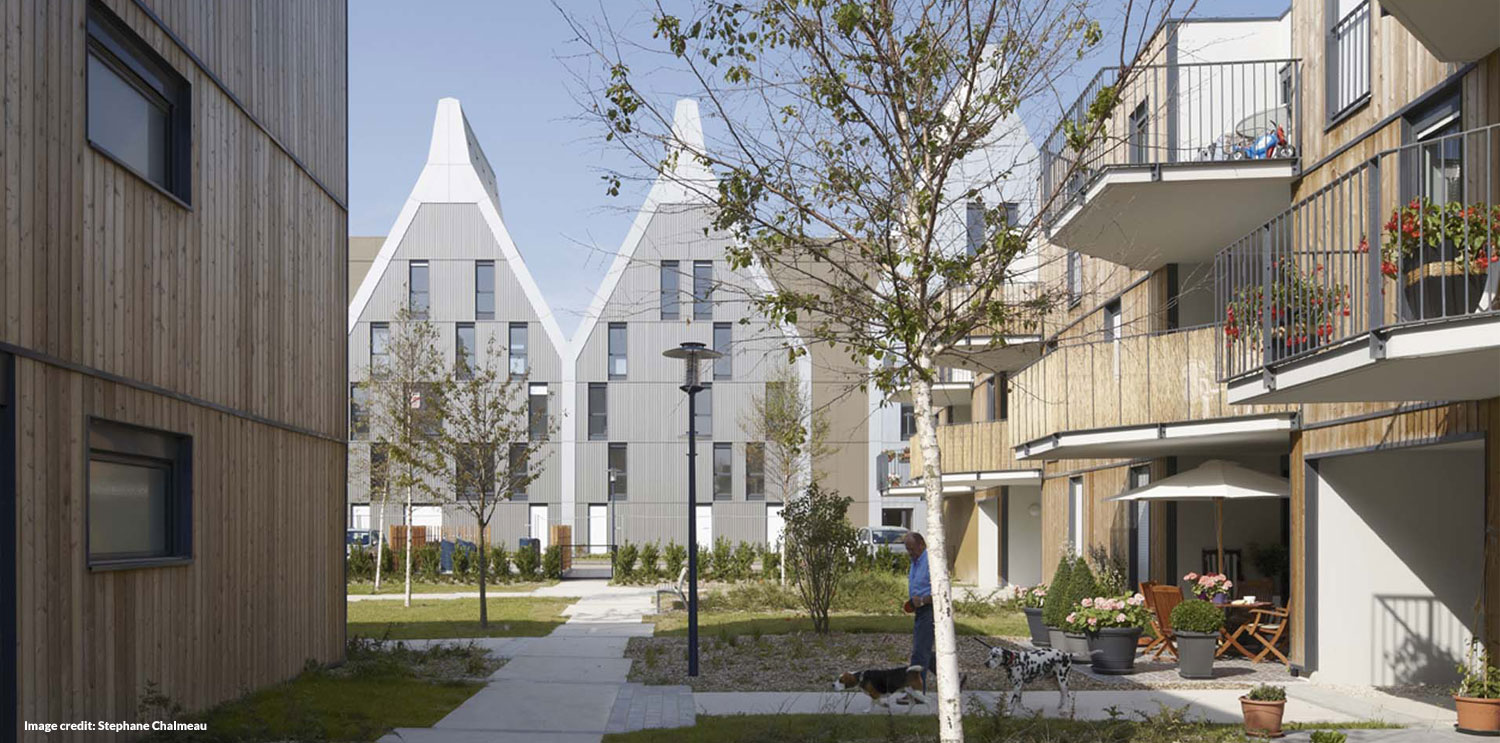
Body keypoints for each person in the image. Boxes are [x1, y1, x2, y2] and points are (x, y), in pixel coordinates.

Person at [903, 531, 936, 694]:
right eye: (907, 549)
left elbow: (941, 591)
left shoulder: (931, 561)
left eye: (912, 549)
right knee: (924, 651)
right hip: (919, 610)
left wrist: (922, 600)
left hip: (929, 610)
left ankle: (916, 692)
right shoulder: (915, 561)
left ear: (922, 544)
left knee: (919, 654)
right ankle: (957, 677)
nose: (910, 553)